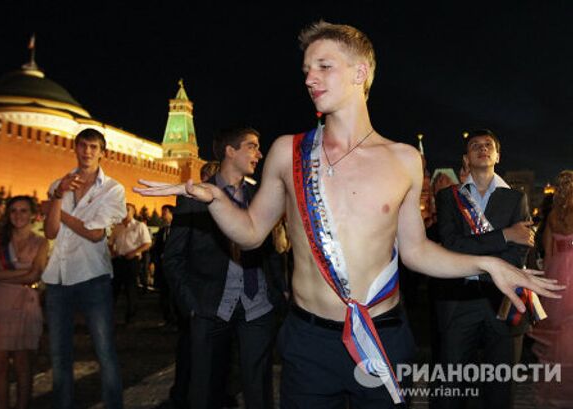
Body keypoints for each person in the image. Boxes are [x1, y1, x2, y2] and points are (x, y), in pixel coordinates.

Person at [135, 21, 561, 407]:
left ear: (360, 73)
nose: (309, 77)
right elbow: (249, 234)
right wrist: (215, 200)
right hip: (308, 340)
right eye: (306, 69)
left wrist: (486, 263)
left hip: (382, 335)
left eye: (323, 66)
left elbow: (415, 251)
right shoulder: (289, 151)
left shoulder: (403, 159)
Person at [164, 126, 285, 409]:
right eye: (252, 146)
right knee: (205, 391)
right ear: (231, 151)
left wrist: (278, 293)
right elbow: (173, 258)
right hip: (209, 308)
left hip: (257, 308)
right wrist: (191, 305)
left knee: (259, 390)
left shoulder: (260, 197)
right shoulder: (194, 198)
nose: (259, 153)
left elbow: (270, 252)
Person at [431, 129, 534, 409]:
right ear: (466, 158)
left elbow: (519, 251)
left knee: (500, 386)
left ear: (498, 156)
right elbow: (451, 245)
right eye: (475, 145)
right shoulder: (449, 198)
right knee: (451, 383)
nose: (482, 148)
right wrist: (503, 236)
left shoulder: (516, 198)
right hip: (458, 300)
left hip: (501, 301)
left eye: (488, 145)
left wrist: (502, 241)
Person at [42, 128, 126, 409]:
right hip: (58, 279)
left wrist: (59, 208)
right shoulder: (59, 184)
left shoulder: (113, 189)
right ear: (75, 149)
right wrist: (57, 195)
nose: (87, 152)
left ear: (103, 152)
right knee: (59, 356)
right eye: (82, 146)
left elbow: (94, 234)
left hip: (93, 278)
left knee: (105, 351)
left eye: (93, 147)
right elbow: (51, 232)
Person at [0, 196, 48, 409]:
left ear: (33, 214)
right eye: (13, 211)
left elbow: (34, 277)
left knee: (23, 367)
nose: (18, 215)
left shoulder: (41, 242)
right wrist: (25, 271)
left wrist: (4, 273)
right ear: (8, 214)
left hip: (26, 306)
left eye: (24, 210)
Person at [530, 170, 573, 408]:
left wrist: (550, 275)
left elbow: (548, 252)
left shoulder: (553, 216)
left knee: (559, 331)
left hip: (557, 272)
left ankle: (559, 385)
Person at [109, 202, 152, 323]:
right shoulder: (117, 227)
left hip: (132, 261)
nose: (125, 211)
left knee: (130, 289)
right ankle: (108, 316)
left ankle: (131, 316)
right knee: (114, 288)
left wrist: (134, 252)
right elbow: (110, 242)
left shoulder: (139, 226)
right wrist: (113, 252)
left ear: (133, 212)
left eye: (128, 209)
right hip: (118, 260)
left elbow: (147, 243)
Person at [151, 204, 176, 326]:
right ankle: (168, 319)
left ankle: (176, 320)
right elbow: (156, 248)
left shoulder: (178, 230)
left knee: (174, 295)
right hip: (163, 268)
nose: (162, 215)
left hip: (175, 268)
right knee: (164, 294)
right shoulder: (162, 231)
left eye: (165, 212)